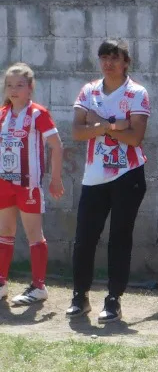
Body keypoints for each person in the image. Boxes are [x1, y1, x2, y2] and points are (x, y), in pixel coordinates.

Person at [67, 39, 150, 322]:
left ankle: (113, 299)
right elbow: (77, 131)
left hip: (128, 175)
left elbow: (135, 137)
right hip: (94, 176)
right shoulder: (89, 91)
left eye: (114, 57)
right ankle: (80, 295)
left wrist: (102, 125)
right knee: (84, 238)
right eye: (103, 57)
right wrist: (116, 125)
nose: (108, 63)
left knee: (119, 238)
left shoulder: (136, 92)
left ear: (126, 61)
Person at [0, 63, 63, 307]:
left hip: (29, 185)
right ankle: (2, 283)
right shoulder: (3, 114)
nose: (14, 90)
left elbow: (56, 145)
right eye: (9, 85)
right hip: (4, 183)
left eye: (19, 85)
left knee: (34, 235)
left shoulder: (38, 113)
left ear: (30, 88)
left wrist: (55, 178)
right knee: (5, 232)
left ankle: (39, 287)